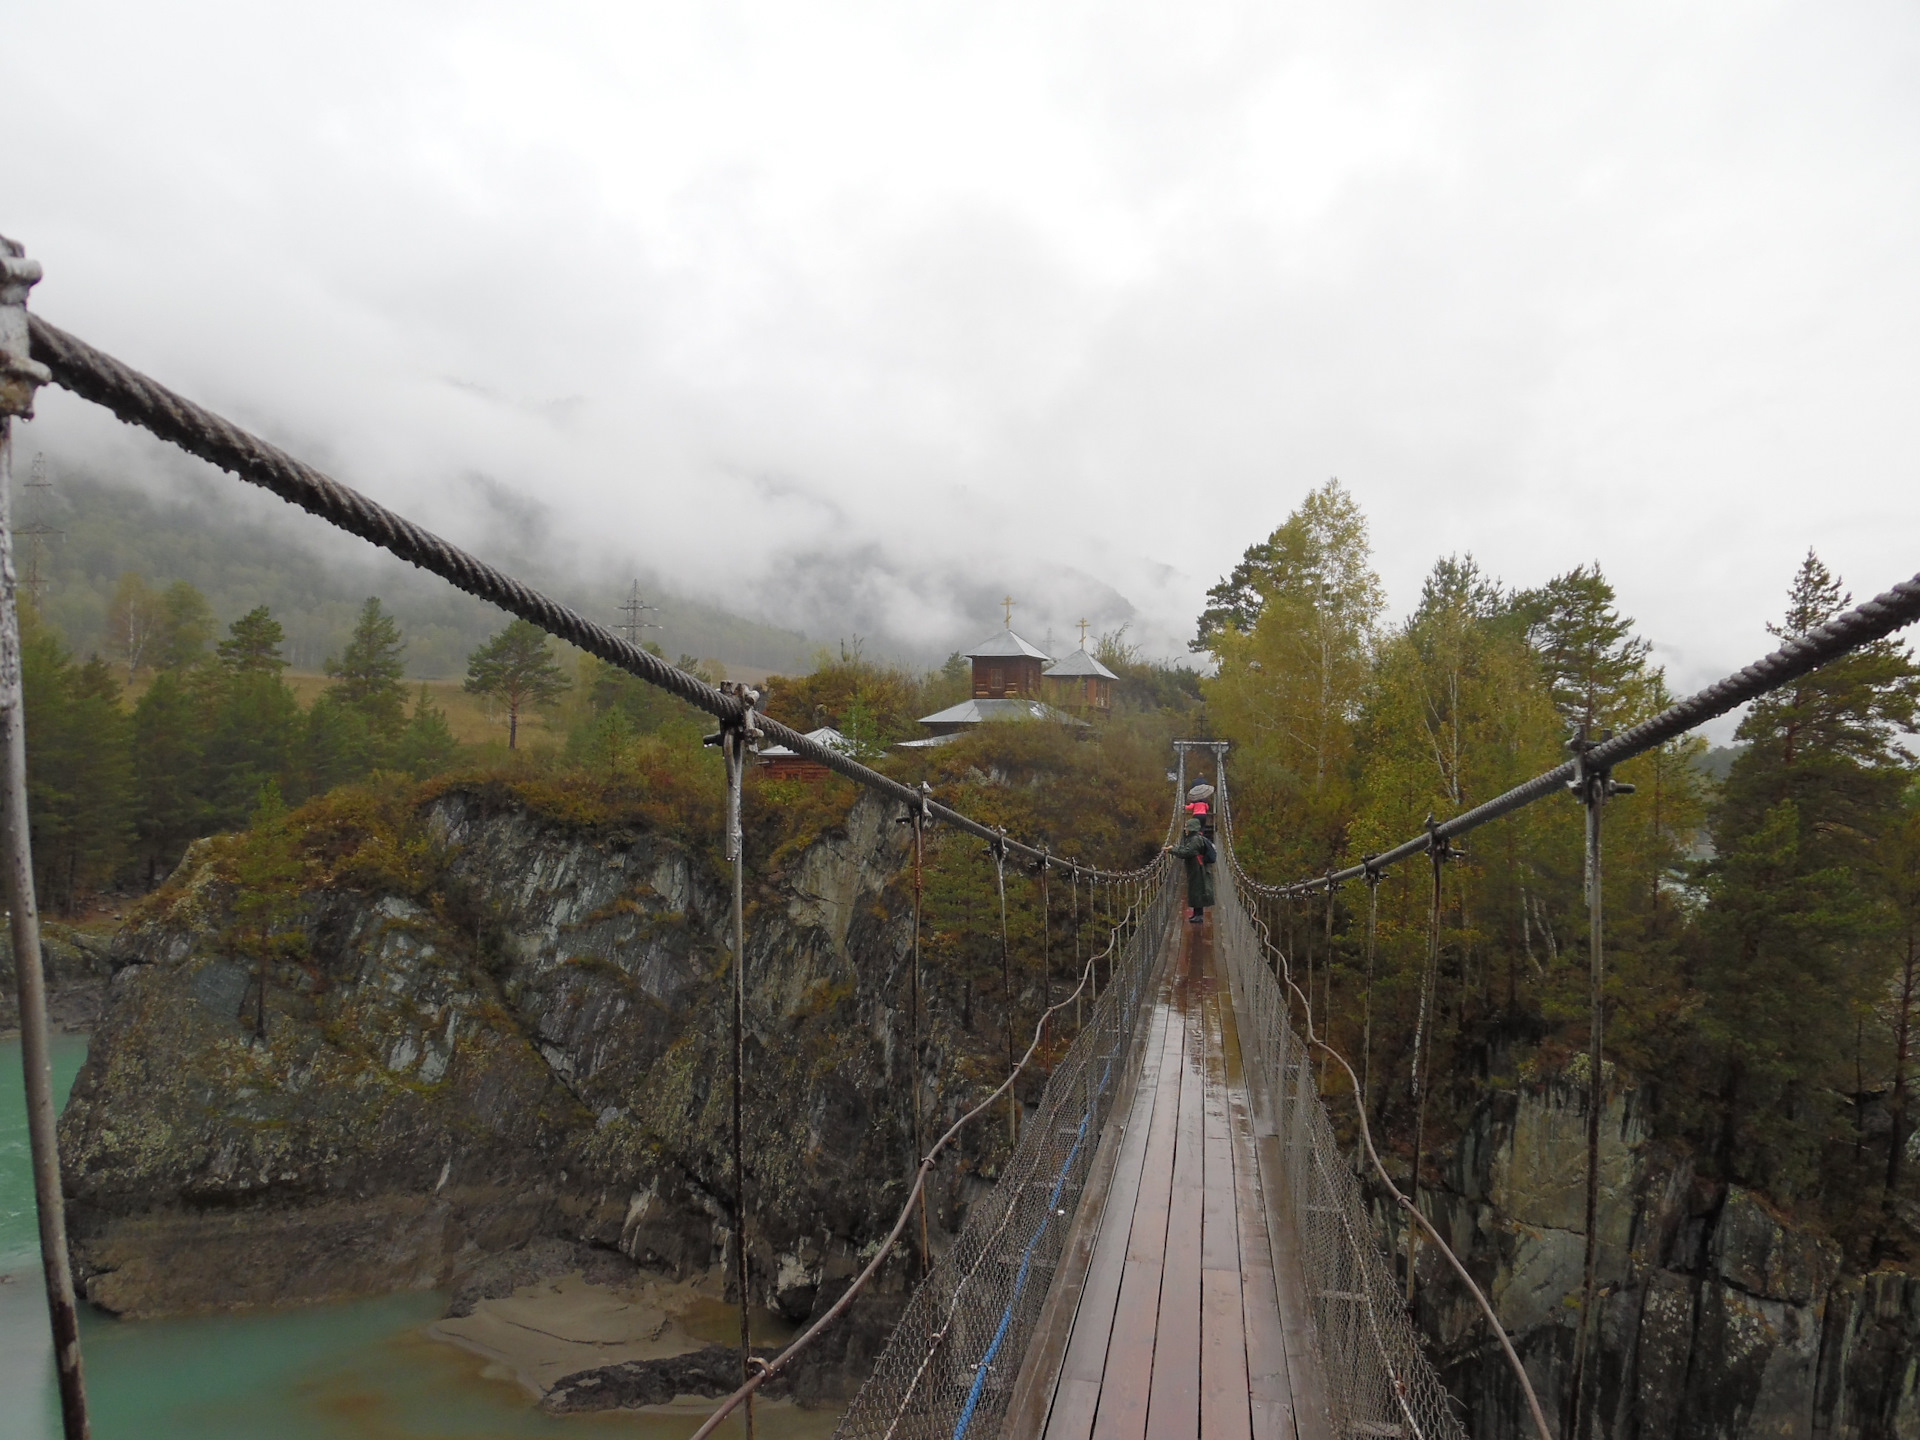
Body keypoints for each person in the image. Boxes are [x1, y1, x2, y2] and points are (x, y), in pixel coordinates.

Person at [1164, 815, 1216, 923]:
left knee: (1197, 889)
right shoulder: (1193, 838)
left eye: (1187, 827)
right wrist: (1174, 848)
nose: (1185, 829)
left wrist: (1172, 850)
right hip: (1196, 867)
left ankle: (1199, 915)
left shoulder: (1195, 840)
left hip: (1198, 868)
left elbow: (1186, 852)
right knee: (1195, 889)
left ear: (1191, 828)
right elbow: (1186, 849)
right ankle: (1196, 914)